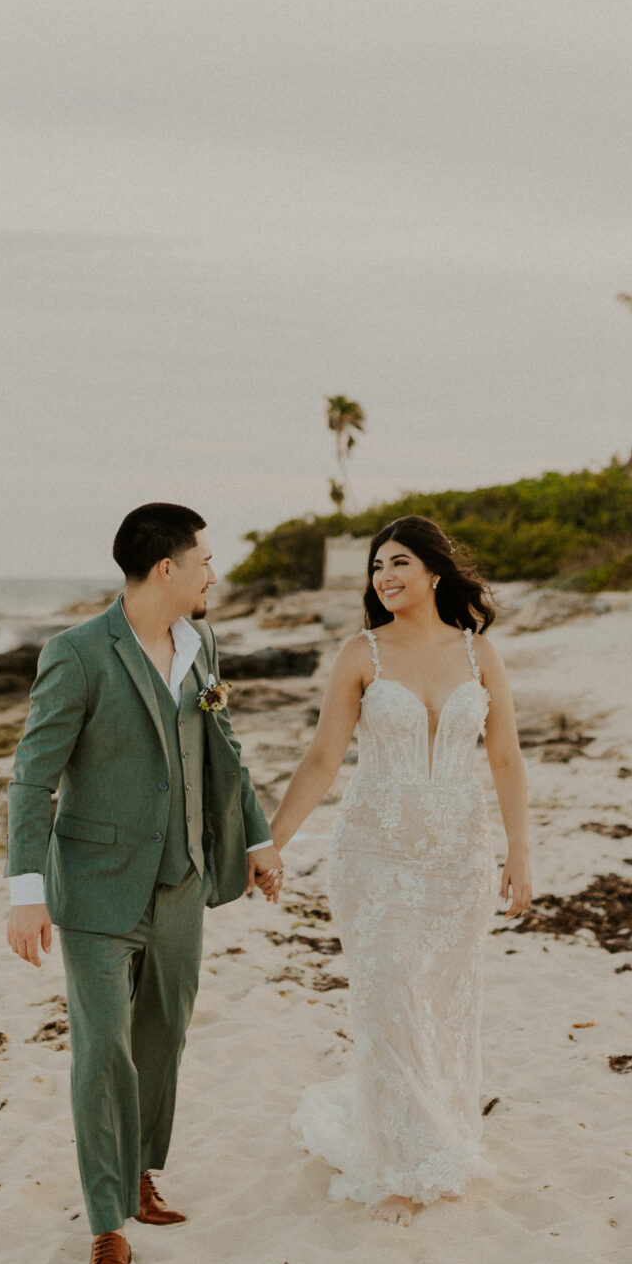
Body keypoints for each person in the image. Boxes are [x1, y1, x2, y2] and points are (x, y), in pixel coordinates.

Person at [6, 504, 282, 1264]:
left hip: (182, 880)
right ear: (167, 568)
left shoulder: (200, 648)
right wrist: (26, 891)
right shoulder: (78, 654)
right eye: (204, 560)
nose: (212, 573)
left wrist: (256, 839)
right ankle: (105, 1229)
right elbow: (33, 775)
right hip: (94, 890)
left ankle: (136, 1174)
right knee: (102, 1053)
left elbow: (221, 750)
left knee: (163, 1037)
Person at [265, 515, 531, 1223]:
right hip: (373, 857)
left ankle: (434, 1138)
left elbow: (505, 758)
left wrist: (519, 856)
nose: (384, 576)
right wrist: (271, 843)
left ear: (435, 572)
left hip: (457, 859)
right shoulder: (361, 654)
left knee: (439, 1004)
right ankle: (394, 1166)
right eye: (377, 566)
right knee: (386, 998)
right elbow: (323, 759)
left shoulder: (480, 654)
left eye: (398, 562)